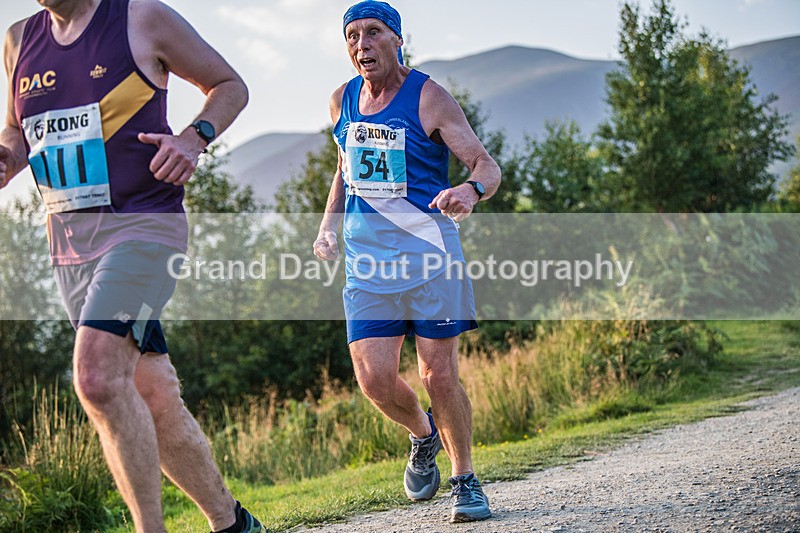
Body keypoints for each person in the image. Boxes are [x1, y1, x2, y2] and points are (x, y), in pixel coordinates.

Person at [0, 1, 265, 531]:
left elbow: (230, 85)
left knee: (96, 377)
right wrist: (7, 155)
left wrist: (194, 138)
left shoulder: (139, 17)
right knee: (152, 394)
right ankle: (232, 523)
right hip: (70, 246)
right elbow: (16, 131)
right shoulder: (17, 40)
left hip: (144, 228)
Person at [313, 0, 501, 524]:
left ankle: (465, 481)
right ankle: (423, 436)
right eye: (352, 36)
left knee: (438, 373)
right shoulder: (341, 101)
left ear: (397, 39)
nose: (362, 44)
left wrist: (469, 189)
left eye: (374, 33)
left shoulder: (429, 98)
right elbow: (345, 169)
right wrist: (328, 225)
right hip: (368, 263)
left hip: (429, 256)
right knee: (373, 378)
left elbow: (487, 165)